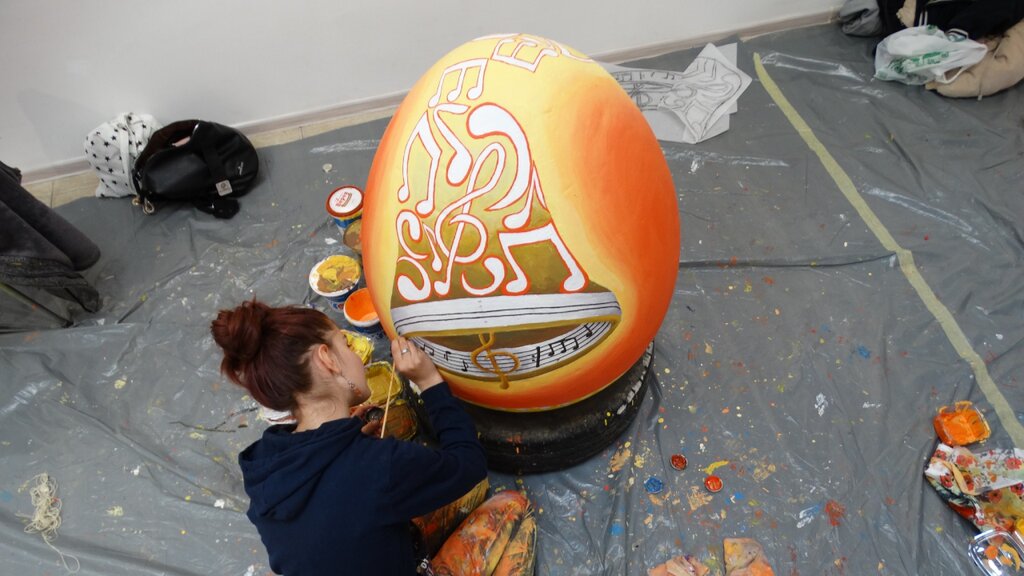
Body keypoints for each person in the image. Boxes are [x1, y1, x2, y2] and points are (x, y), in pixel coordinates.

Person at [210, 300, 488, 575]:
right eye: (346, 344)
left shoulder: (264, 464)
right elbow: (469, 463)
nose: (357, 356)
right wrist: (429, 381)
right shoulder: (379, 467)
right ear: (327, 359)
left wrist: (345, 439)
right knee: (503, 504)